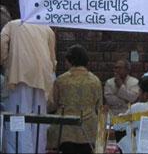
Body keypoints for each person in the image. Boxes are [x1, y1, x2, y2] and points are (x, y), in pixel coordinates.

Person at [1, 18, 56, 154]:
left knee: (18, 116)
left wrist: (6, 62)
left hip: (18, 74)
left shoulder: (12, 25)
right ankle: (38, 150)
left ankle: (19, 150)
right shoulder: (46, 27)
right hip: (43, 77)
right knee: (38, 119)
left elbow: (2, 44)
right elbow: (52, 58)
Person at [47, 44, 102, 154]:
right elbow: (99, 106)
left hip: (65, 130)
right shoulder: (95, 81)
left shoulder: (61, 80)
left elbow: (53, 105)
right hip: (89, 130)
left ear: (70, 60)